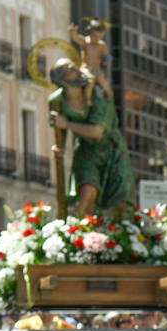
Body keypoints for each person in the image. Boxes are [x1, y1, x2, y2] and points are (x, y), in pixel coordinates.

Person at [48, 58, 136, 218]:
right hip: (86, 150)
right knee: (87, 192)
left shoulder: (98, 94)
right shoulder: (56, 101)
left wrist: (67, 124)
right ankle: (78, 229)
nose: (77, 71)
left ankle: (117, 230)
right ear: (63, 81)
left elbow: (97, 131)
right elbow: (58, 126)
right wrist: (60, 147)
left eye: (75, 67)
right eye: (70, 70)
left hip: (112, 149)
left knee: (120, 203)